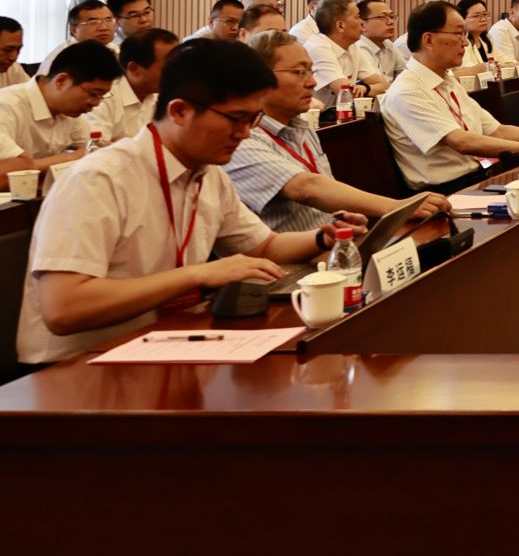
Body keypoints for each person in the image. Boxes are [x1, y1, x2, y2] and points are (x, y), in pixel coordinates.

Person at [13, 39, 350, 367]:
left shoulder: (207, 172)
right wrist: (195, 276)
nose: (245, 133)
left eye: (253, 120)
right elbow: (64, 309)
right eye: (236, 119)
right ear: (179, 111)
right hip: (76, 368)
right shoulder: (99, 178)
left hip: (159, 346)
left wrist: (323, 237)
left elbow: (263, 247)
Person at [227, 30, 449, 233]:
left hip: (329, 244)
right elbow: (306, 188)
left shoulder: (301, 127)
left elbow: (324, 192)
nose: (312, 82)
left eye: (311, 71)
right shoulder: (240, 140)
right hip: (290, 259)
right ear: (260, 78)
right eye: (300, 72)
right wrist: (398, 207)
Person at [382, 1, 519, 189]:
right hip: (448, 191)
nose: (465, 43)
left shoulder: (447, 80)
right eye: (458, 34)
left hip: (478, 176)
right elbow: (463, 142)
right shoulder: (407, 91)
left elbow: (497, 131)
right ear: (429, 40)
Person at [0, 41, 119, 177]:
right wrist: (72, 157)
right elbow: (7, 171)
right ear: (61, 81)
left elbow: (91, 147)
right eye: (93, 94)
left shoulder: (68, 111)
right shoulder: (6, 106)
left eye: (102, 96)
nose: (96, 103)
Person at [88, 29, 179, 143]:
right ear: (134, 69)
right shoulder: (102, 98)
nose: (177, 73)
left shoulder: (166, 97)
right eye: (169, 68)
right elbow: (95, 147)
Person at [302, 0, 389, 109]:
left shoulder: (352, 46)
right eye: (357, 17)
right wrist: (366, 90)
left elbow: (384, 85)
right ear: (340, 25)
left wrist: (365, 89)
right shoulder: (318, 47)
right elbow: (345, 93)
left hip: (340, 115)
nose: (362, 22)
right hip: (314, 117)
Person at [38, 0, 115, 68]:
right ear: (74, 30)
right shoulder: (62, 58)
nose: (103, 28)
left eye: (108, 20)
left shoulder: (114, 49)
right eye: (93, 22)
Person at [357, 0, 407, 80]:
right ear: (362, 24)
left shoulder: (388, 44)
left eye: (391, 16)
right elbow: (378, 83)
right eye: (382, 17)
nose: (391, 22)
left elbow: (406, 72)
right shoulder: (359, 47)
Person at [452, 0, 495, 79]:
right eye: (476, 16)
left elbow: (504, 61)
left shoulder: (488, 40)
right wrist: (488, 67)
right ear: (462, 19)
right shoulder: (461, 42)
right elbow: (465, 69)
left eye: (485, 14)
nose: (483, 19)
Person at [0, 16, 26, 89]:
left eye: (18, 49)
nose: (14, 57)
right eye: (7, 50)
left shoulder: (14, 68)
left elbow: (30, 93)